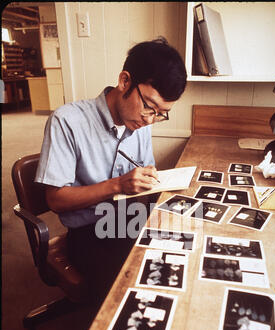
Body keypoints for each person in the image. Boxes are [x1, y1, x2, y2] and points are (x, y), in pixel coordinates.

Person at [35, 37, 187, 307]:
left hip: (129, 221)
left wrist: (149, 181)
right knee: (133, 293)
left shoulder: (142, 123)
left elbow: (144, 178)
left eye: (161, 113)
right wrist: (117, 185)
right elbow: (55, 199)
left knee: (180, 256)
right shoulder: (67, 121)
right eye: (149, 107)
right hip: (88, 234)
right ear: (125, 81)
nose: (150, 119)